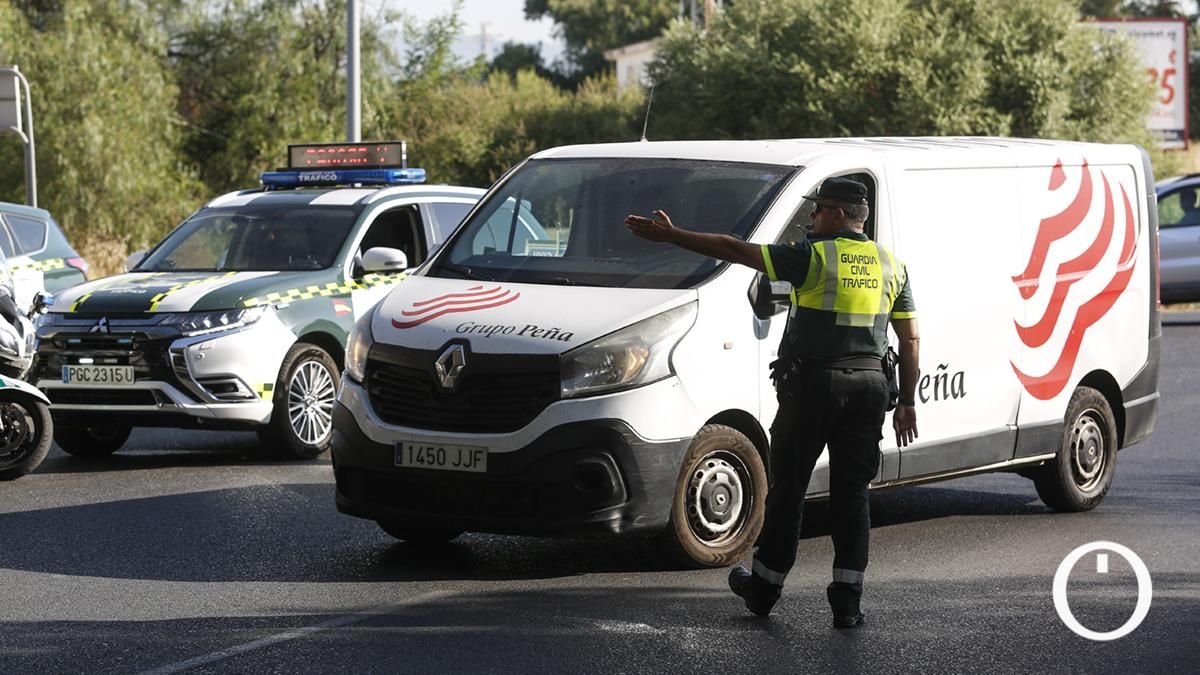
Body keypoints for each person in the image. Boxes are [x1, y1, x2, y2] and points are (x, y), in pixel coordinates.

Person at [625, 176, 920, 627]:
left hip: (814, 388)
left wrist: (674, 236)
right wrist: (908, 403)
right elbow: (911, 338)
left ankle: (763, 589)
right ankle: (847, 603)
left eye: (818, 210)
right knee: (852, 495)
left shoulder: (812, 256)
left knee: (789, 490)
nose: (812, 217)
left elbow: (735, 249)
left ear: (839, 215)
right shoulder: (892, 265)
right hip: (870, 389)